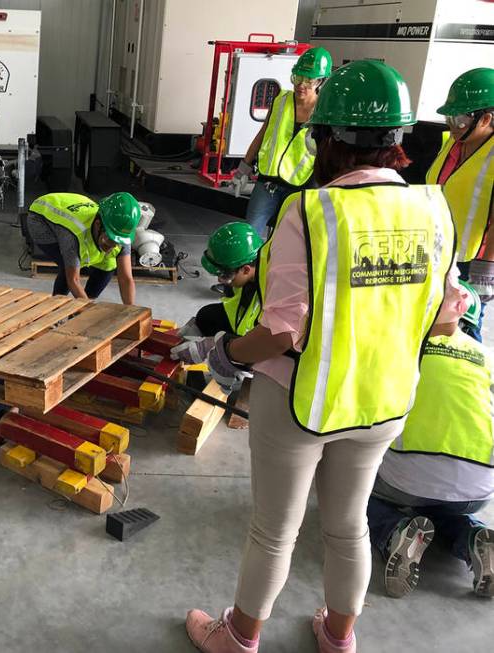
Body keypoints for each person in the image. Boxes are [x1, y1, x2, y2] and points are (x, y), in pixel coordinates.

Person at [171, 60, 457, 653]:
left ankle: (238, 638)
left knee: (274, 532)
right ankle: (337, 635)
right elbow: (450, 316)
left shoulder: (313, 211)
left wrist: (225, 352)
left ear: (329, 140)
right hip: (383, 399)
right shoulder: (434, 210)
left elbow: (280, 331)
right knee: (347, 526)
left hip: (302, 401)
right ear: (397, 142)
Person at [366, 280, 494, 599]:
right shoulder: (486, 356)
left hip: (406, 480)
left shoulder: (403, 348)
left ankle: (394, 531)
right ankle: (472, 536)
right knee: (446, 505)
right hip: (479, 486)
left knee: (358, 495)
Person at [233, 47, 333, 237]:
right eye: (297, 78)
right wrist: (242, 169)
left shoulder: (324, 113)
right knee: (250, 233)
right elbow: (262, 135)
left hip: (301, 186)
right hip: (268, 182)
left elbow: (328, 153)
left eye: (308, 80)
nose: (301, 85)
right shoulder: (280, 101)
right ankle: (249, 266)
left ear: (320, 81)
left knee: (289, 240)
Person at [425, 68, 494, 341]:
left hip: (471, 260)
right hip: (439, 250)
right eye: (450, 116)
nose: (452, 124)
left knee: (465, 329)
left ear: (487, 118)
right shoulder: (452, 144)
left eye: (461, 118)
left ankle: (466, 381)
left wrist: (487, 269)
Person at [25, 191, 141, 304]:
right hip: (40, 218)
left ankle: (84, 304)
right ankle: (56, 308)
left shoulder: (120, 230)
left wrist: (131, 311)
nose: (113, 246)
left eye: (118, 242)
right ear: (98, 224)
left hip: (75, 206)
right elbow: (73, 280)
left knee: (108, 266)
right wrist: (89, 312)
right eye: (110, 239)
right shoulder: (72, 235)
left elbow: (126, 278)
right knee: (68, 268)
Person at [177, 223, 263, 338]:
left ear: (246, 270)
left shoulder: (273, 288)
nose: (220, 280)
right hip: (241, 327)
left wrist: (226, 348)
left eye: (225, 275)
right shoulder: (243, 278)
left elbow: (271, 340)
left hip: (263, 341)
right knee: (205, 316)